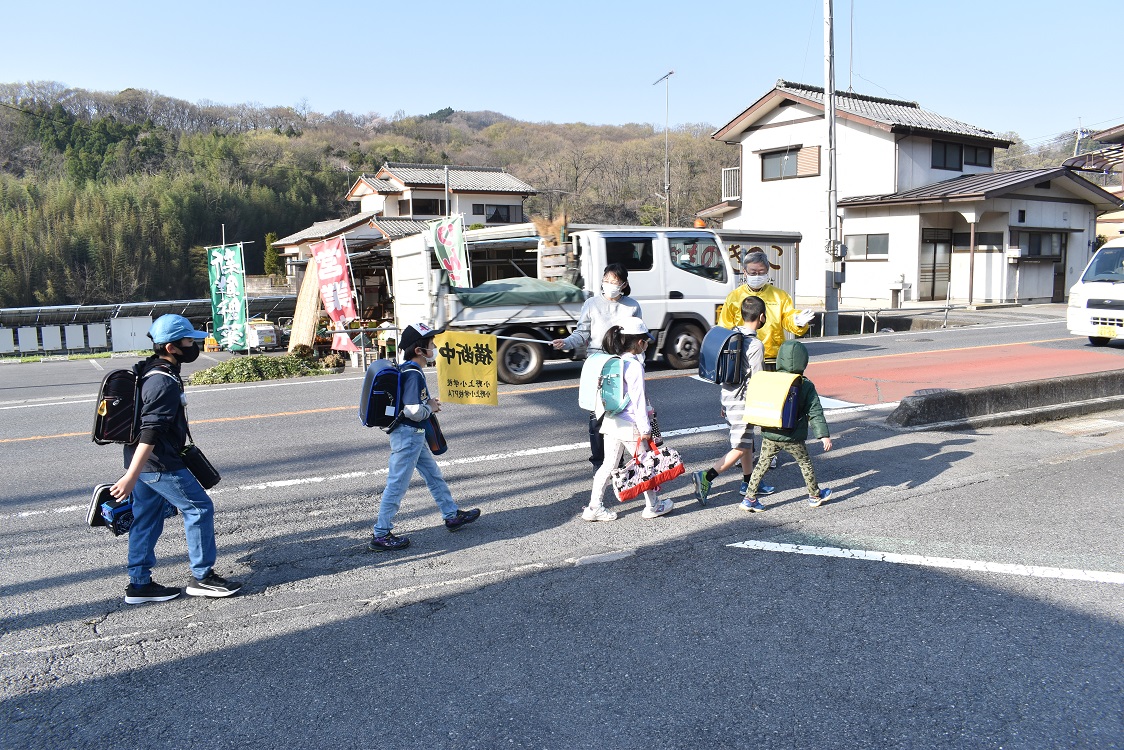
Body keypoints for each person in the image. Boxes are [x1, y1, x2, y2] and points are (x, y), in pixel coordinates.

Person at [109, 314, 242, 605]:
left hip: (144, 463)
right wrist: (130, 477)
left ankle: (139, 584)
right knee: (198, 508)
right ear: (171, 347)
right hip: (159, 464)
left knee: (147, 517)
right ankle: (202, 577)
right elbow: (151, 431)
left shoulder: (151, 370)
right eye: (189, 341)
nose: (195, 344)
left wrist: (135, 470)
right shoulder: (162, 382)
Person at [370, 323, 481, 551]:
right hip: (408, 435)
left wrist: (427, 406)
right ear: (420, 351)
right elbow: (412, 410)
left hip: (413, 434)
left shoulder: (409, 369)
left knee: (433, 475)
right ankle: (381, 534)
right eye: (431, 345)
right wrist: (430, 407)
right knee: (397, 484)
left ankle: (451, 515)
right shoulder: (413, 374)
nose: (435, 348)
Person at [584, 318, 673, 521]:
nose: (647, 344)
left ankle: (594, 506)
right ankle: (653, 505)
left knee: (608, 465)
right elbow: (638, 400)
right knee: (644, 464)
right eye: (646, 340)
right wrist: (645, 428)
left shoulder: (615, 362)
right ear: (640, 342)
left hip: (613, 421)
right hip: (631, 424)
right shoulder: (634, 366)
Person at [691, 296, 775, 505]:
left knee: (747, 443)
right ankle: (706, 477)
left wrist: (723, 403)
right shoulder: (755, 345)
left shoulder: (732, 336)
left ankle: (750, 482)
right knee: (739, 447)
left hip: (729, 399)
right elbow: (757, 379)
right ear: (762, 317)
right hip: (744, 402)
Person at [742, 339, 833, 511]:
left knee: (762, 464)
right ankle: (815, 495)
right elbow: (815, 412)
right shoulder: (804, 384)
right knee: (805, 463)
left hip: (769, 431)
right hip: (792, 435)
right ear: (803, 361)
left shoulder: (772, 379)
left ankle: (749, 498)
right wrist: (823, 436)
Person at [717, 249, 814, 364]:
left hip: (773, 357)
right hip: (743, 356)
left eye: (761, 272)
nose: (757, 276)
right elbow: (724, 326)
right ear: (745, 272)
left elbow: (788, 318)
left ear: (767, 272)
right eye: (753, 273)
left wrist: (797, 321)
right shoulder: (735, 296)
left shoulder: (780, 296)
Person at [552, 263, 642, 356]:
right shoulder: (591, 303)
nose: (609, 284)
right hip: (597, 356)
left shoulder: (633, 306)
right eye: (606, 281)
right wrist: (565, 342)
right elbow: (582, 333)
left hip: (623, 357)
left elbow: (637, 337)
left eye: (614, 282)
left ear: (624, 285)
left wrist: (638, 360)